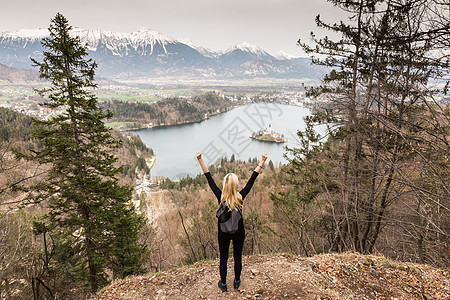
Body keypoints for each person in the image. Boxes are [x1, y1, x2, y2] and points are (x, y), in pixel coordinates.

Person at [196, 152, 268, 292]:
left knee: (223, 258)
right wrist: (262, 161)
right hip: (238, 232)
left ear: (224, 185)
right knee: (237, 257)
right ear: (235, 185)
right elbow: (252, 180)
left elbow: (209, 178)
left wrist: (200, 160)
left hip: (223, 233)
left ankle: (223, 284)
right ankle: (236, 281)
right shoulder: (240, 197)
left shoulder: (220, 197)